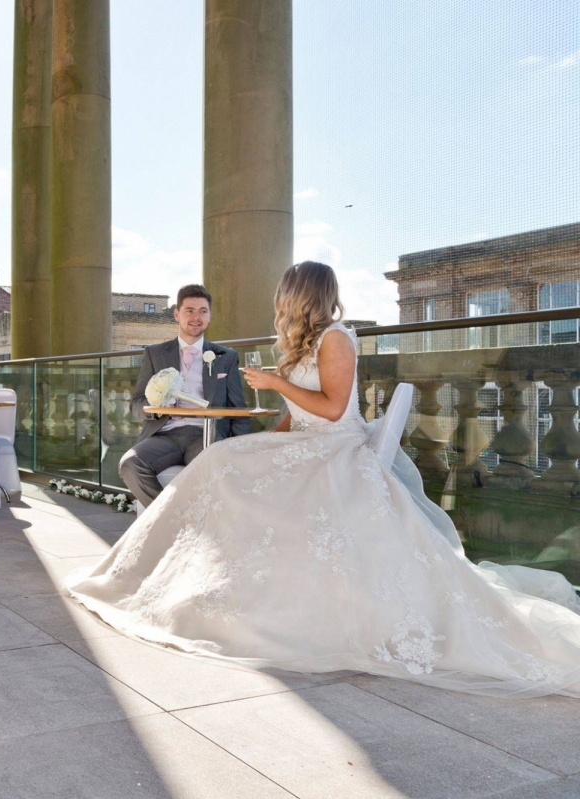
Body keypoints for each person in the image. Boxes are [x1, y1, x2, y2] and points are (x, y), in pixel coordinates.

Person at [69, 262, 580, 698]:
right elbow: (295, 413)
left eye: (282, 293)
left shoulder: (336, 339)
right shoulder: (298, 341)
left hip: (336, 448)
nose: (277, 301)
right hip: (306, 442)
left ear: (298, 296)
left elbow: (335, 411)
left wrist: (273, 383)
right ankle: (194, 574)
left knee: (216, 467)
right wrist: (267, 436)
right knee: (221, 462)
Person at [119, 285, 251, 508]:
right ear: (177, 314)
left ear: (209, 316)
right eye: (189, 310)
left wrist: (239, 448)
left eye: (203, 311)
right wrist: (157, 406)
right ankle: (168, 519)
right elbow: (135, 404)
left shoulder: (226, 357)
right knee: (129, 464)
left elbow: (238, 408)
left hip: (205, 434)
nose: (196, 317)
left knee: (209, 468)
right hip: (164, 435)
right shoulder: (155, 353)